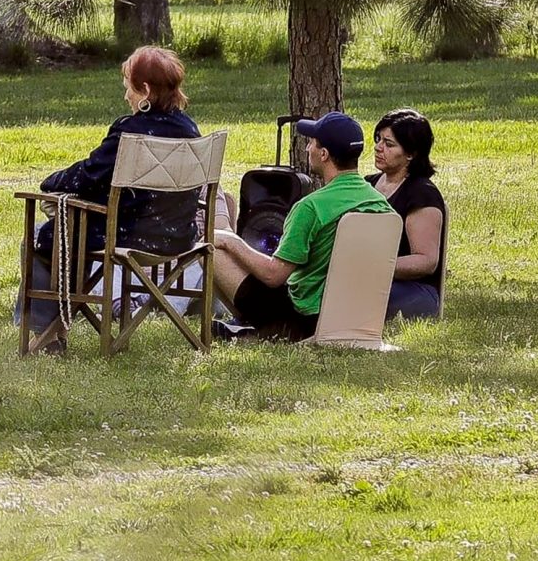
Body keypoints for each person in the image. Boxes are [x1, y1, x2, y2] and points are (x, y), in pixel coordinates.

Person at [21, 45, 203, 339]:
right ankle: (57, 327)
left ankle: (47, 334)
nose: (125, 96)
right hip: (179, 238)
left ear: (144, 90)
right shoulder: (191, 130)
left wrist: (52, 181)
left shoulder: (129, 132)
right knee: (71, 229)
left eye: (128, 88)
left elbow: (89, 175)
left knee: (50, 235)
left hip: (129, 236)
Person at [209, 112, 396, 340]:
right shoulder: (381, 205)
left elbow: (273, 275)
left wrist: (232, 241)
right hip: (355, 317)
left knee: (212, 250)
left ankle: (270, 331)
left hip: (303, 320)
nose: (308, 149)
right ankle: (254, 330)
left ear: (324, 154)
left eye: (311, 143)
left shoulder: (311, 207)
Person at [370, 107, 446, 320]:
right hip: (372, 279)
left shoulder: (421, 194)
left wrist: (374, 266)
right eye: (378, 140)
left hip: (414, 290)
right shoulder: (367, 184)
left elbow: (426, 260)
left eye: (389, 144)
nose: (378, 148)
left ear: (411, 153)